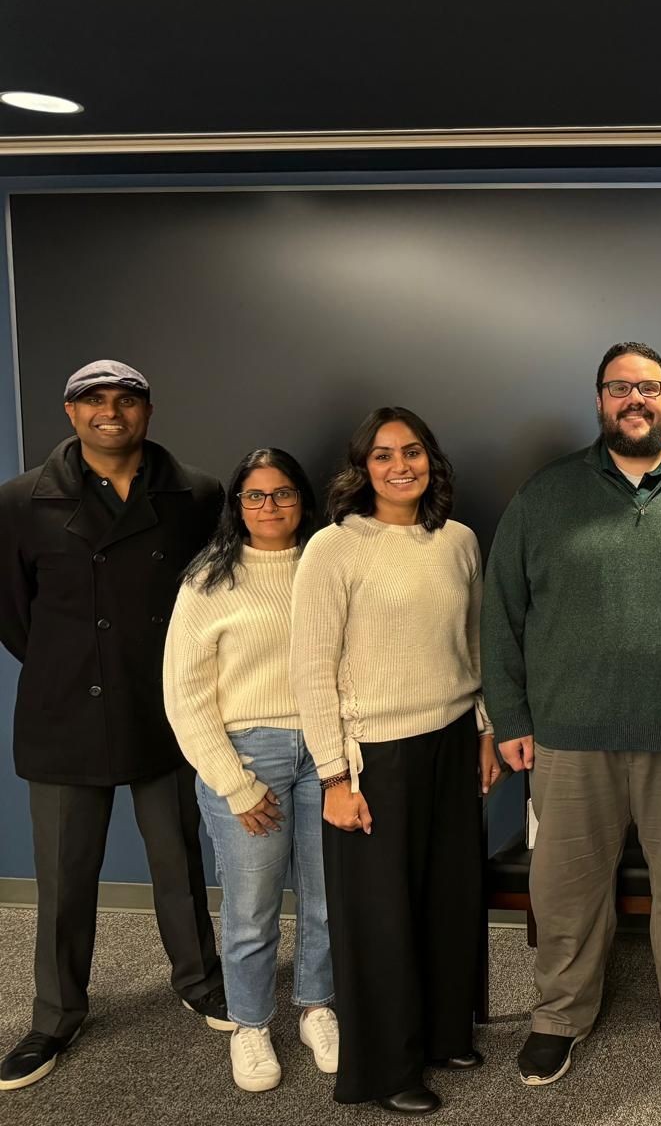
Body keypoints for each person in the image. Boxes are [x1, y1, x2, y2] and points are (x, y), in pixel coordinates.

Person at [484, 341, 661, 1087]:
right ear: (600, 400)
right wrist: (510, 718)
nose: (635, 400)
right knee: (566, 889)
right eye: (620, 388)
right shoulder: (545, 495)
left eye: (650, 387)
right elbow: (500, 612)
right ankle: (558, 1016)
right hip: (570, 736)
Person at [0, 360, 228, 1092]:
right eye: (93, 401)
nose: (110, 413)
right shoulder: (19, 500)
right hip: (65, 711)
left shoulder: (198, 492)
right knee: (65, 880)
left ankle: (200, 981)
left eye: (124, 400)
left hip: (164, 706)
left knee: (179, 860)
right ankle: (54, 1016)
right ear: (69, 413)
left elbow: (210, 595)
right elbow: (12, 611)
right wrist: (72, 662)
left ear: (148, 411)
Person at [290, 407, 501, 1115]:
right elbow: (312, 669)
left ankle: (445, 1035)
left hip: (448, 741)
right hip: (371, 756)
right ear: (363, 469)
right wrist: (333, 776)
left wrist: (482, 732)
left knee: (449, 900)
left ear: (431, 461)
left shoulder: (461, 542)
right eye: (382, 456)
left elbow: (473, 648)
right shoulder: (333, 548)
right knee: (381, 919)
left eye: (412, 451)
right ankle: (385, 1069)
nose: (399, 465)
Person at [163, 448, 338, 1093]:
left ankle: (319, 1007)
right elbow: (185, 693)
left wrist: (343, 760)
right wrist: (233, 781)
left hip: (326, 753)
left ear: (303, 501)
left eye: (284, 493)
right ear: (236, 505)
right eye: (256, 496)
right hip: (247, 756)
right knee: (252, 909)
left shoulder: (328, 566)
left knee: (326, 898)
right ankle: (251, 1023)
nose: (271, 507)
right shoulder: (209, 582)